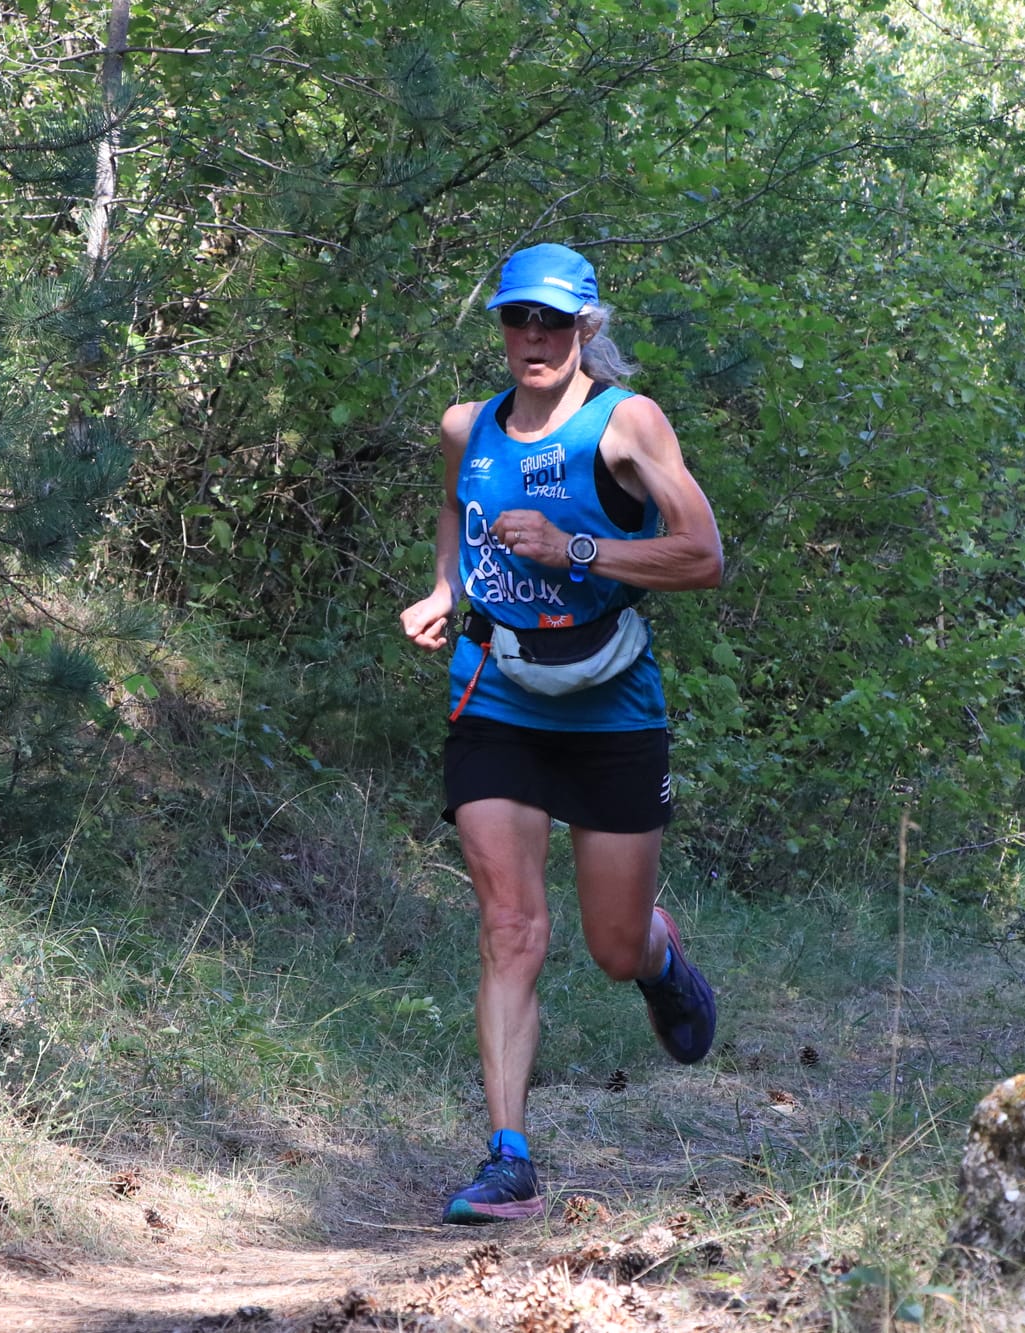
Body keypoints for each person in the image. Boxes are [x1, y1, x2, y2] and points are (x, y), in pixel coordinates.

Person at [398, 243, 724, 1225]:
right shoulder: (467, 427)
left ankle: (659, 962)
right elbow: (459, 521)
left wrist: (578, 545)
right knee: (510, 926)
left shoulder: (623, 424)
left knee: (610, 944)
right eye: (515, 320)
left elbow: (702, 555)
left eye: (551, 321)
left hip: (609, 705)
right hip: (494, 694)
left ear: (584, 325)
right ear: (499, 325)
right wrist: (445, 590)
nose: (531, 338)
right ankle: (507, 1157)